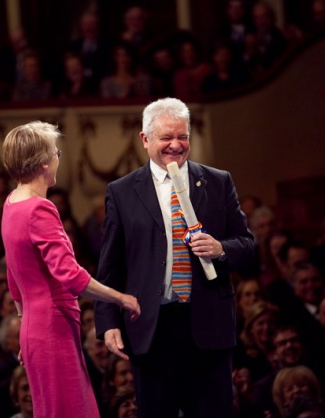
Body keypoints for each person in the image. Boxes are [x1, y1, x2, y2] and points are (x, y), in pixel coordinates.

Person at [94, 97, 255, 416]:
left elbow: (248, 245)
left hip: (208, 326)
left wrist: (221, 249)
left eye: (182, 136)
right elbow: (110, 265)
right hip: (151, 330)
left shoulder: (218, 181)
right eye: (166, 137)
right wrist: (108, 322)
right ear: (145, 139)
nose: (176, 145)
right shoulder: (122, 191)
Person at [0, 121, 140, 418]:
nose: (57, 159)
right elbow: (70, 276)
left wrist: (26, 327)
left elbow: (14, 279)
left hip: (35, 327)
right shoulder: (39, 208)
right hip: (53, 325)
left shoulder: (11, 203)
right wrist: (120, 297)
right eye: (56, 153)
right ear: (42, 164)